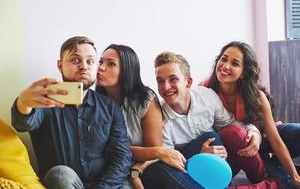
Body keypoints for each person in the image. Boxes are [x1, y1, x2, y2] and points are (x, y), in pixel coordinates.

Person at [11, 36, 132, 189]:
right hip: (65, 182)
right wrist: (23, 102)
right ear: (60, 66)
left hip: (105, 184)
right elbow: (22, 123)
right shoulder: (45, 100)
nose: (84, 66)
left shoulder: (110, 107)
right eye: (75, 60)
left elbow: (121, 156)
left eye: (90, 61)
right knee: (61, 174)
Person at [151, 51, 262, 188]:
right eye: (160, 81)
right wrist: (199, 159)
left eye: (173, 79)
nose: (166, 87)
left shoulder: (207, 96)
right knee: (210, 137)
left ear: (188, 82)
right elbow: (169, 162)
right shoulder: (158, 117)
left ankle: (262, 179)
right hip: (188, 168)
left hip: (221, 159)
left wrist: (254, 131)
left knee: (226, 134)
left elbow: (230, 123)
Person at [96, 44, 199, 189]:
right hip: (115, 170)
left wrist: (136, 172)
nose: (100, 67)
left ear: (127, 71)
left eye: (111, 64)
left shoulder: (145, 99)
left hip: (146, 166)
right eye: (100, 62)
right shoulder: (94, 104)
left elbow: (156, 151)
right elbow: (109, 150)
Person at [201, 41, 300, 188]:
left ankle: (280, 169)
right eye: (223, 58)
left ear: (243, 73)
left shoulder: (257, 95)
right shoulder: (203, 91)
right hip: (240, 148)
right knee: (284, 182)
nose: (225, 66)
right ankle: (276, 173)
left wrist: (294, 175)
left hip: (264, 138)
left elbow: (275, 140)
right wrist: (203, 151)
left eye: (234, 63)